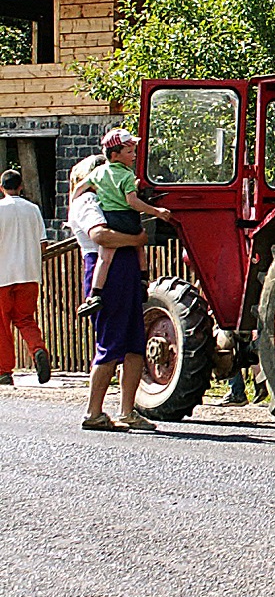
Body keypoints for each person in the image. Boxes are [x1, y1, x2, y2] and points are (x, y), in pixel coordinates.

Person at [66, 155, 155, 432]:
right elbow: (101, 236)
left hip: (125, 268)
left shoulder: (108, 199)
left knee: (134, 342)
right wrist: (136, 239)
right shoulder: (86, 202)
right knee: (110, 342)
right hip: (106, 269)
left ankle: (127, 411)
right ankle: (94, 411)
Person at [76, 128, 170, 318]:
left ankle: (95, 294)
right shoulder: (127, 176)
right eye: (129, 152)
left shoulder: (99, 172)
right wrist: (156, 211)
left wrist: (74, 201)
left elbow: (80, 186)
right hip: (128, 217)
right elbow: (132, 202)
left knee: (105, 258)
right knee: (138, 244)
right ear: (114, 154)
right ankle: (144, 279)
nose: (134, 156)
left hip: (110, 219)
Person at [0, 167, 51, 386]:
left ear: (1, 188)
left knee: (2, 325)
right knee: (25, 319)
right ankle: (38, 348)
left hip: (2, 275)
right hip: (29, 274)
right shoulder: (33, 209)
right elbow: (43, 244)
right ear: (21, 186)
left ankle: (4, 370)